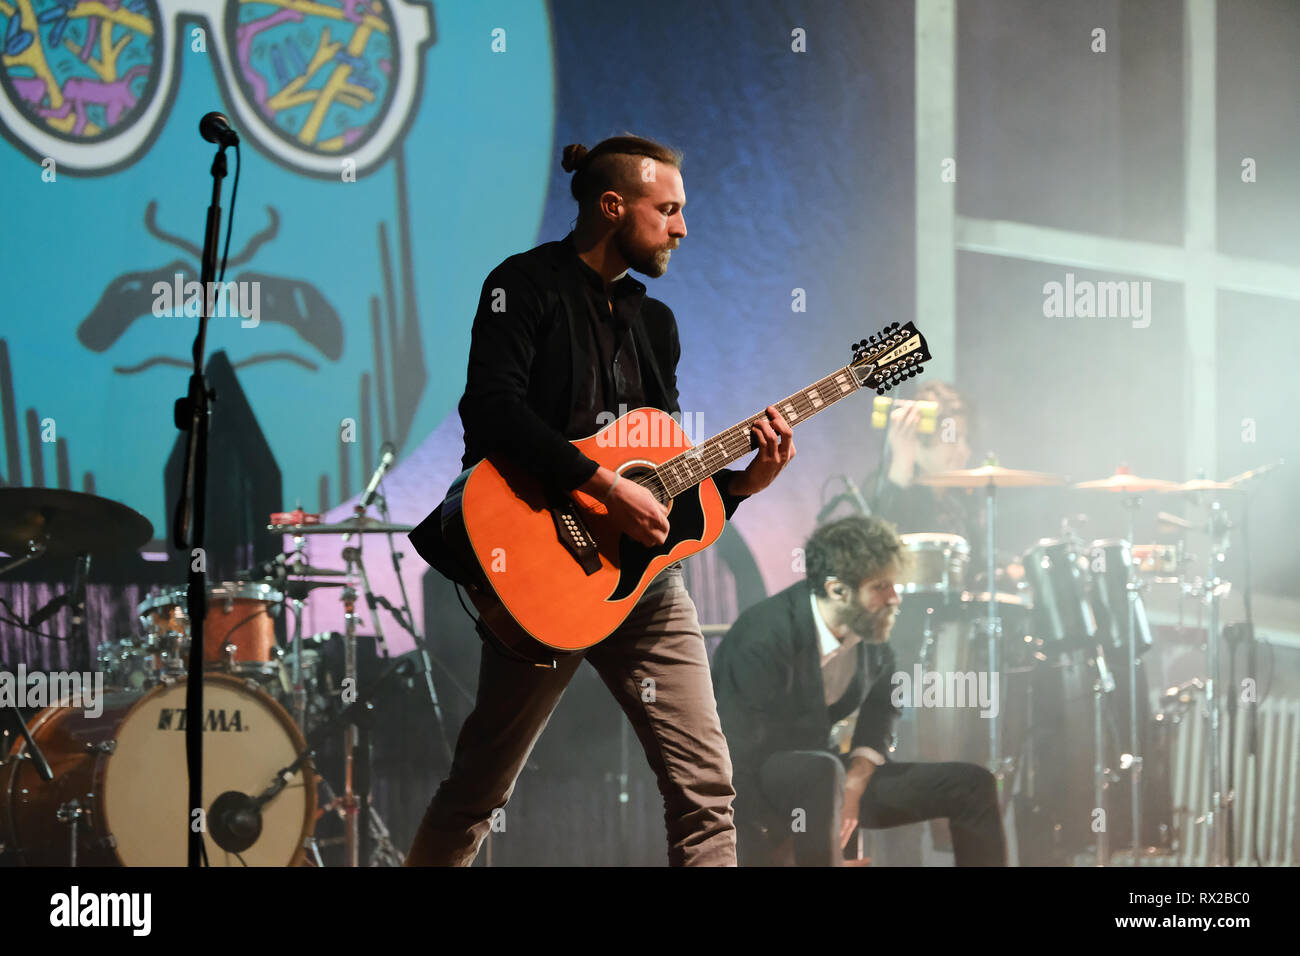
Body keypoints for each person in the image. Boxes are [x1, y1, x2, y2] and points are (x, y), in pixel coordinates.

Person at [405, 135, 795, 866]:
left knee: (706, 789)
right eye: (669, 210)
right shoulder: (520, 285)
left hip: (643, 582)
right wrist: (599, 486)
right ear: (612, 207)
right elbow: (490, 409)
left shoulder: (656, 324)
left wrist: (741, 485)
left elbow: (669, 479)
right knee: (478, 790)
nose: (682, 228)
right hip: (539, 567)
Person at [711, 515, 1006, 866]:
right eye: (881, 587)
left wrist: (856, 781)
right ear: (838, 589)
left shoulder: (871, 632)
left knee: (973, 785)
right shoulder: (762, 636)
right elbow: (734, 766)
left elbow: (883, 707)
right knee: (820, 770)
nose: (895, 598)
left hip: (831, 782)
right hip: (762, 789)